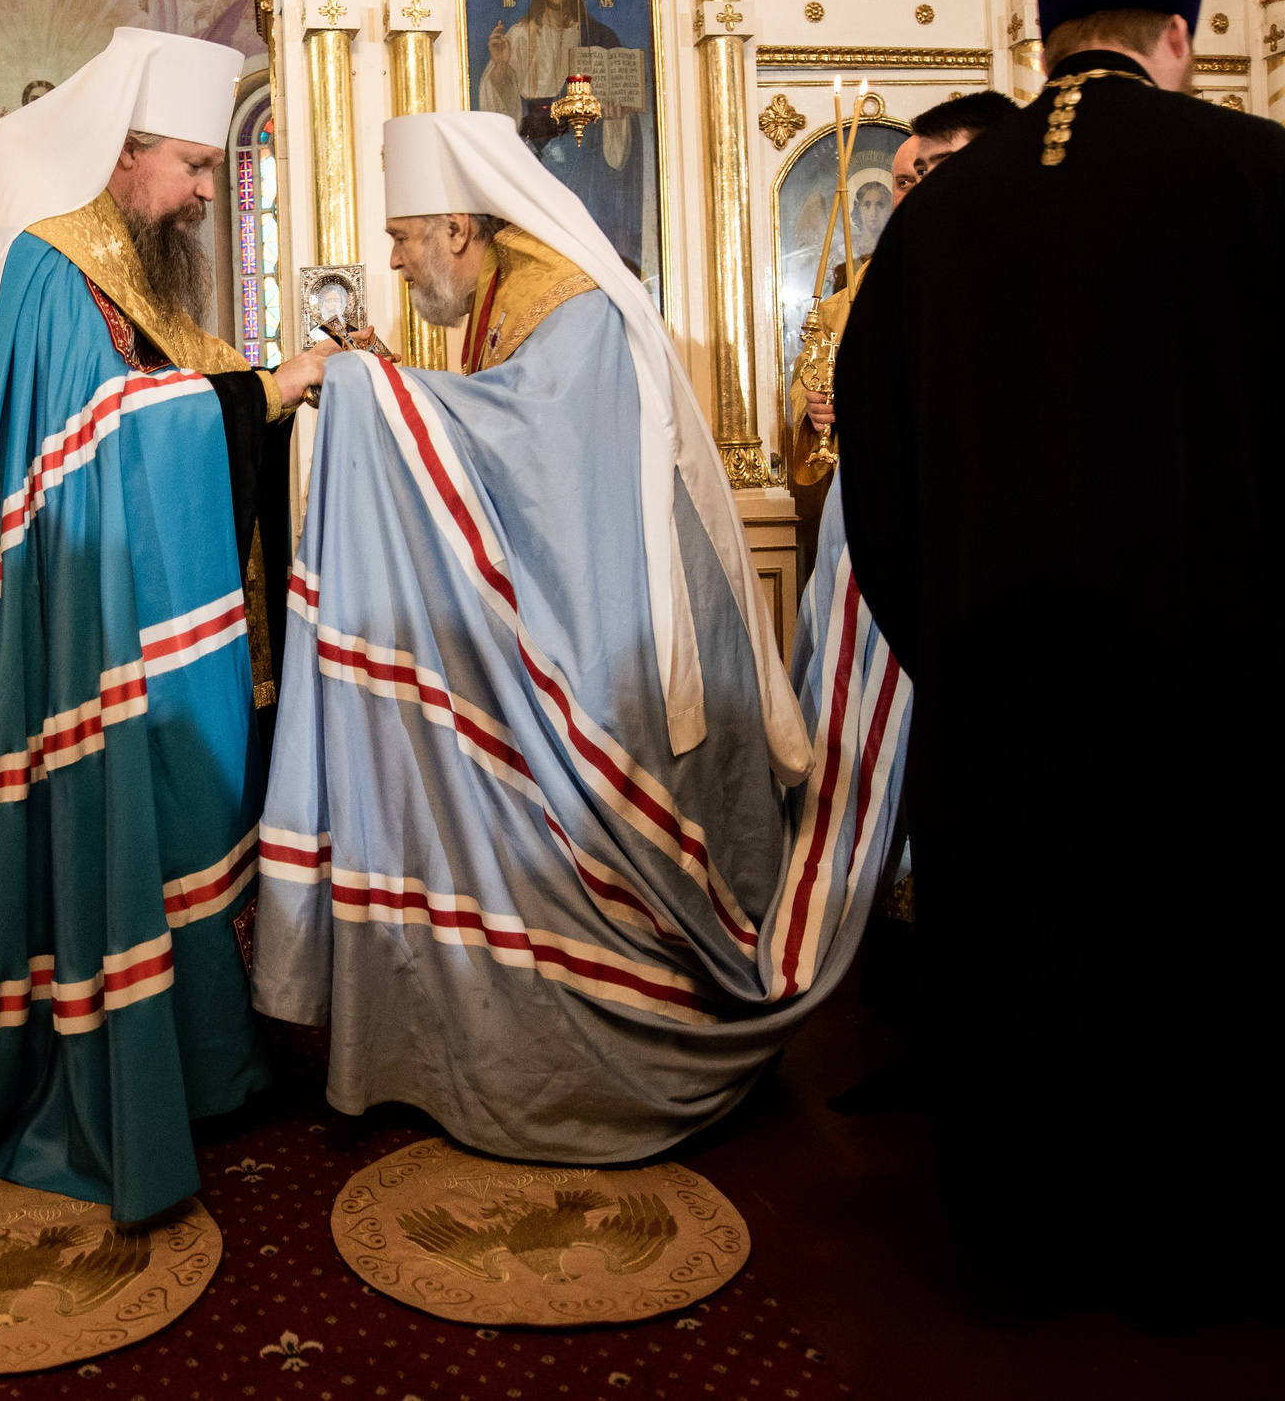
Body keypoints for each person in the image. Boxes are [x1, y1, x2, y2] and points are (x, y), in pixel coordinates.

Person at [834, 0, 1285, 1326]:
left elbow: (879, 488)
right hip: (1220, 718)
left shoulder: (935, 225)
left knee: (1031, 979)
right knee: (1223, 1006)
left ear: (1046, 39)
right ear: (1182, 35)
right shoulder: (1272, 180)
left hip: (1006, 723)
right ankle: (1217, 1251)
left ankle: (1032, 1237)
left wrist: (967, 649)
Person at [254, 110, 848, 1162]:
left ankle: (598, 1041)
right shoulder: (509, 295)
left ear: (458, 227)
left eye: (402, 237)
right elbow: (501, 440)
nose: (392, 259)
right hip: (588, 608)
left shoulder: (566, 305)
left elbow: (535, 462)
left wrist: (368, 392)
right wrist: (402, 391)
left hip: (616, 640)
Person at [0, 29, 332, 1224]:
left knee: (186, 815)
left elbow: (176, 388)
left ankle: (206, 1059)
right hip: (85, 627)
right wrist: (267, 393)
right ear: (124, 157)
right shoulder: (56, 265)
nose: (207, 191)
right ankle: (120, 1069)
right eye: (194, 167)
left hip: (150, 613)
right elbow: (99, 438)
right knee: (132, 823)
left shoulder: (133, 265)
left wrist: (273, 385)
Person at [789, 90, 1014, 485]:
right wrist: (814, 411)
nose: (919, 191)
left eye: (933, 172)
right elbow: (811, 389)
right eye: (907, 180)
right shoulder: (851, 301)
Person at [478, 0, 644, 265]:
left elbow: (621, 105)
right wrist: (500, 67)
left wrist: (615, 117)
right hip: (535, 155)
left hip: (586, 155)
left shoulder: (600, 35)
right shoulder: (520, 35)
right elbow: (500, 110)